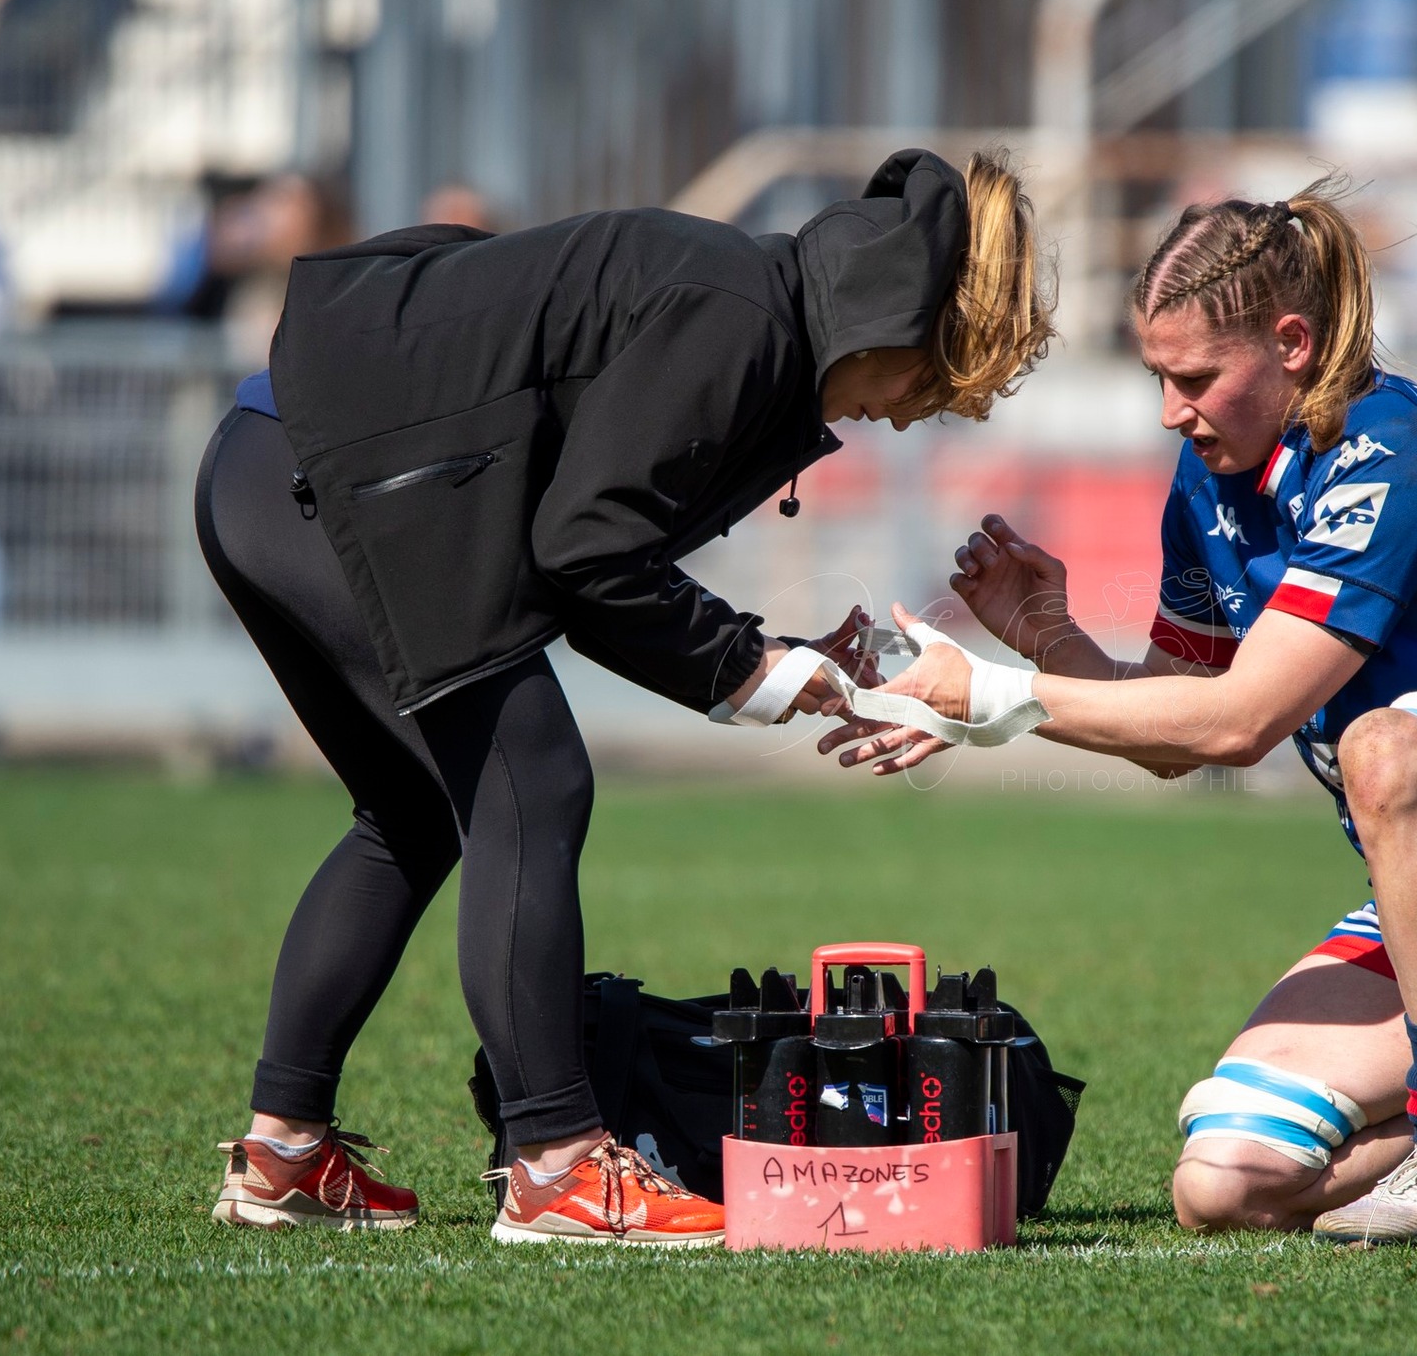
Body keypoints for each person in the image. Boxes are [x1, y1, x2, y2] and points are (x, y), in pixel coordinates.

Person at [821, 182, 1417, 1245]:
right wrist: (1048, 644)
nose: (1168, 411)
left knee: (1389, 744)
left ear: (1291, 342)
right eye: (1156, 377)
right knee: (1221, 1184)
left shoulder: (1389, 454)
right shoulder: (1205, 488)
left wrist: (980, 699)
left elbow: (1240, 722)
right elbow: (1174, 731)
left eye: (1193, 378)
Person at [199, 148, 1051, 1244]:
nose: (901, 415)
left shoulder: (746, 303)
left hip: (265, 466)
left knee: (412, 813)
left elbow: (582, 575)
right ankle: (556, 1164)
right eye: (923, 387)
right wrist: (751, 667)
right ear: (892, 319)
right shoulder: (741, 318)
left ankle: (282, 1153)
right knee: (536, 786)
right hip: (340, 468)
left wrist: (771, 656)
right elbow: (586, 554)